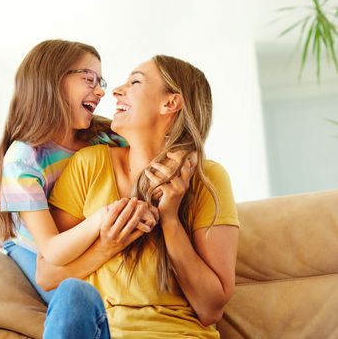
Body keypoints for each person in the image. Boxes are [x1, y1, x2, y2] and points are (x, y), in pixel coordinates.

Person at [40, 54, 240, 338]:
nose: (116, 91)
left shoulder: (208, 179)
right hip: (107, 332)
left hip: (176, 334)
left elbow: (211, 309)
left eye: (134, 82)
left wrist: (170, 220)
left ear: (170, 103)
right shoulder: (90, 164)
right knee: (74, 295)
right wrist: (109, 245)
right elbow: (47, 275)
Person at [0, 39, 158, 339]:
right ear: (51, 82)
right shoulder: (23, 159)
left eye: (100, 81)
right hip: (38, 249)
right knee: (78, 295)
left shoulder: (106, 140)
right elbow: (51, 250)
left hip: (89, 240)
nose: (102, 91)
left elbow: (154, 150)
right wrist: (105, 217)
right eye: (88, 79)